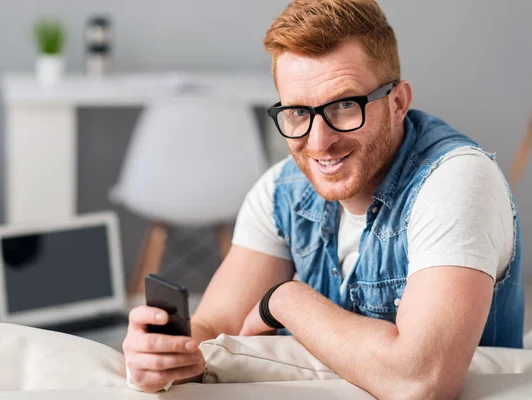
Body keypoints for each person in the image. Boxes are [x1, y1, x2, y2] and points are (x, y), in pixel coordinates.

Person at [123, 0, 524, 398]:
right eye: (298, 113)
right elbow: (212, 331)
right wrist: (160, 356)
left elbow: (422, 382)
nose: (319, 143)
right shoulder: (283, 191)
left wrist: (286, 298)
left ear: (398, 102)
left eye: (345, 105)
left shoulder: (455, 181)